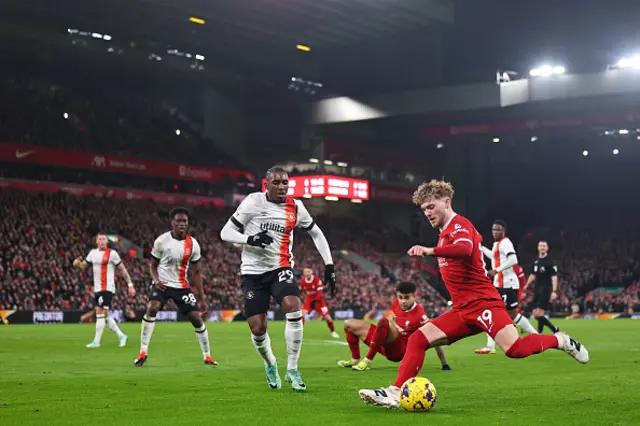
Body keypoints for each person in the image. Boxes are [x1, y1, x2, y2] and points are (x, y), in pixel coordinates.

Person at [358, 180, 588, 409]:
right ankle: (395, 392)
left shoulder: (460, 225)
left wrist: (430, 250)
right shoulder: (443, 234)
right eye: (424, 209)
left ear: (446, 202)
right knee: (418, 339)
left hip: (484, 304)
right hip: (462, 310)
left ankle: (561, 340)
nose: (427, 213)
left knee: (514, 349)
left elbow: (465, 249)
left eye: (431, 206)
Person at [220, 167, 336, 392]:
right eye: (277, 183)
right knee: (258, 328)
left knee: (293, 307)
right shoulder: (253, 202)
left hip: (280, 267)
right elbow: (226, 232)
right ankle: (270, 363)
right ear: (266, 184)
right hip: (252, 273)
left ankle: (293, 369)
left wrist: (329, 264)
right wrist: (250, 239)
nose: (282, 187)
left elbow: (316, 233)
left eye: (285, 182)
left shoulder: (296, 206)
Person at [134, 207, 217, 367]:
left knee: (196, 319)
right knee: (152, 307)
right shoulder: (161, 241)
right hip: (163, 283)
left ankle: (207, 356)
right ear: (172, 222)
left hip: (181, 286)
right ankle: (143, 351)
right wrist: (156, 280)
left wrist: (202, 297)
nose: (181, 223)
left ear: (188, 224)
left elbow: (196, 272)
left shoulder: (193, 244)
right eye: (178, 220)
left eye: (184, 221)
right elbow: (153, 265)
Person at [338, 281, 450, 371]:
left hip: (398, 351)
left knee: (383, 322)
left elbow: (434, 339)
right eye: (400, 297)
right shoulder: (395, 303)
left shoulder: (420, 316)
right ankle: (355, 359)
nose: (402, 301)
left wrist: (444, 364)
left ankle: (367, 360)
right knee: (348, 324)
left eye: (406, 298)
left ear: (414, 297)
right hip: (382, 343)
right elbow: (396, 320)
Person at [475, 220, 538, 354]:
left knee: (506, 314)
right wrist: (479, 246)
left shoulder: (506, 243)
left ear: (503, 231)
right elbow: (493, 256)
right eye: (493, 229)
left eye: (497, 230)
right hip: (500, 284)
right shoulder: (497, 244)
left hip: (507, 284)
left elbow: (513, 260)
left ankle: (536, 336)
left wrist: (497, 270)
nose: (495, 232)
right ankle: (490, 346)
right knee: (496, 313)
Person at [73, 233, 136, 348]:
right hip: (97, 288)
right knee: (106, 316)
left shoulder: (112, 254)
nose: (102, 241)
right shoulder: (92, 253)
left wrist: (130, 284)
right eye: (99, 239)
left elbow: (122, 270)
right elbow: (83, 267)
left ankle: (96, 342)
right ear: (96, 242)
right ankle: (122, 336)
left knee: (100, 312)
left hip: (107, 288)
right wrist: (77, 264)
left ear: (107, 242)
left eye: (104, 239)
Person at [523, 240, 560, 334]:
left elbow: (554, 277)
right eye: (540, 246)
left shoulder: (550, 262)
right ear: (538, 248)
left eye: (544, 246)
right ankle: (552, 329)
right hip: (537, 288)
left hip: (546, 288)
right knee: (536, 313)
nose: (542, 247)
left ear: (547, 248)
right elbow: (533, 274)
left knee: (538, 313)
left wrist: (554, 291)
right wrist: (527, 285)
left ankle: (541, 333)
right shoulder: (536, 261)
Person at [301, 267, 339, 338]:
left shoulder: (316, 280)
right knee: (301, 315)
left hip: (318, 301)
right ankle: (299, 332)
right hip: (309, 300)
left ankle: (333, 331)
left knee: (328, 318)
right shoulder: (302, 281)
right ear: (304, 273)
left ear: (311, 272)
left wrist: (315, 300)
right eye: (305, 272)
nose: (307, 273)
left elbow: (320, 293)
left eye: (308, 271)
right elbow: (301, 291)